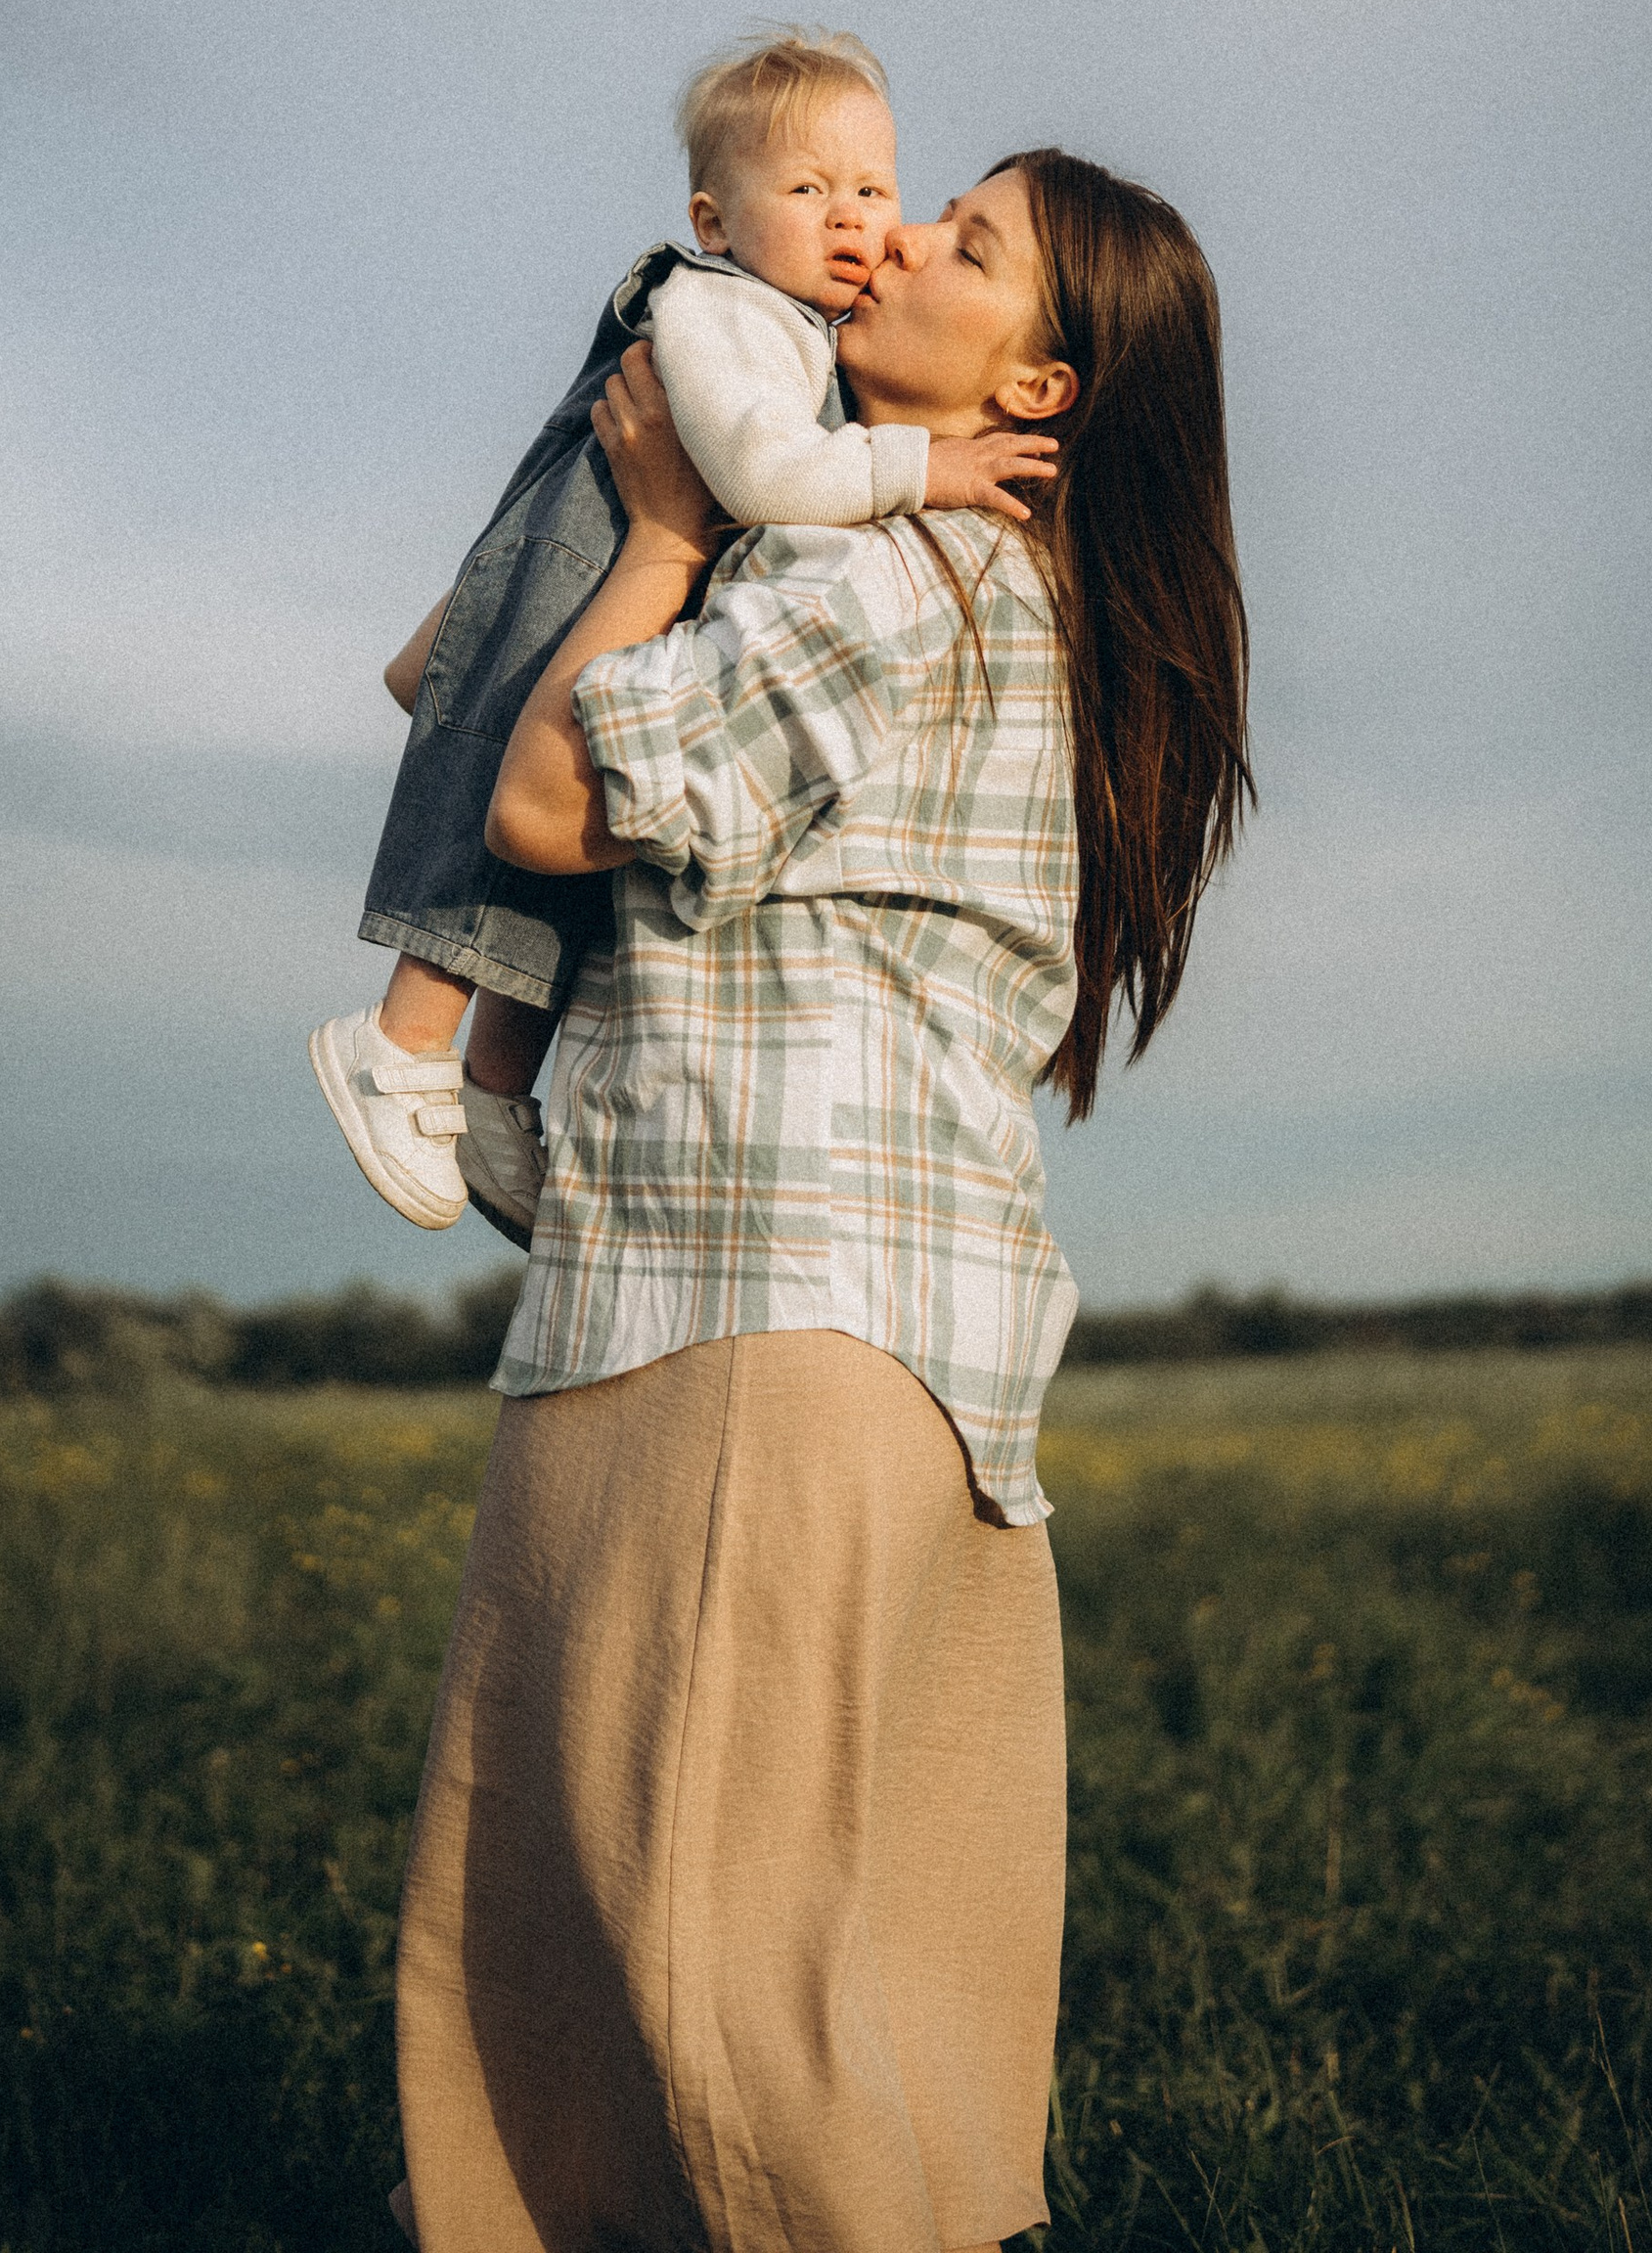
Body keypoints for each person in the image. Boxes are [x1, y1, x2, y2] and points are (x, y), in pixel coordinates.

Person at [389, 146, 1252, 2253]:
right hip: (924, 1355)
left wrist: (661, 533)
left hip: (742, 1306)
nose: (893, 239)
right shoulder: (1027, 603)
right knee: (880, 1954)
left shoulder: (886, 575)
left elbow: (542, 796)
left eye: (966, 243)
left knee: (677, 1968)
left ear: (1036, 391)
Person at [308, 29, 1057, 1243]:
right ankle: (402, 1039)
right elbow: (763, 474)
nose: (859, 222)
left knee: (595, 837)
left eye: (874, 190)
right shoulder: (720, 311)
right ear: (714, 221)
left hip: (626, 582)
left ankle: (492, 1088)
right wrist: (926, 466)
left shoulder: (804, 337)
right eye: (806, 189)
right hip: (591, 572)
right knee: (519, 793)